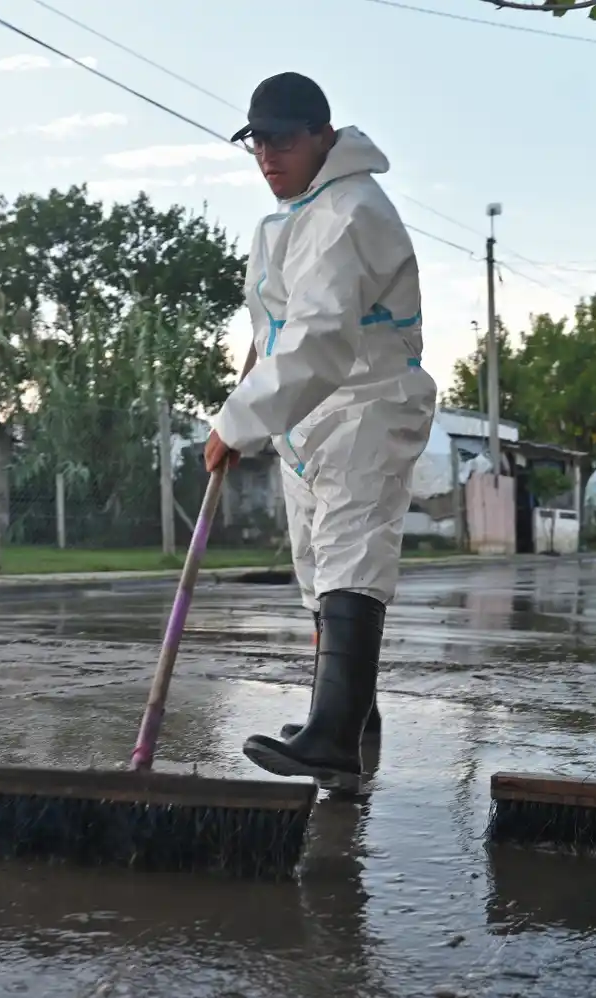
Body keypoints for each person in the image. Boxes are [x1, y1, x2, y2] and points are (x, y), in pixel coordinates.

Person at [203, 72, 437, 788]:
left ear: (323, 136)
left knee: (348, 557)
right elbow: (281, 333)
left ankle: (333, 734)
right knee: (319, 570)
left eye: (282, 139)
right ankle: (345, 721)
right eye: (257, 141)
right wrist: (262, 408)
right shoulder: (291, 216)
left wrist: (237, 422)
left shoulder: (349, 211)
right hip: (312, 422)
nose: (268, 154)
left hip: (365, 404)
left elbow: (320, 341)